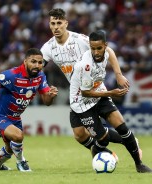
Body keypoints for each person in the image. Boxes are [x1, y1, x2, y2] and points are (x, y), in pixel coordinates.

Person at [40, 8, 142, 160]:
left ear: (66, 23)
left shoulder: (80, 40)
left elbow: (109, 51)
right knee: (79, 134)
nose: (56, 27)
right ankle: (106, 153)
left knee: (111, 127)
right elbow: (36, 69)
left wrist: (119, 75)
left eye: (59, 23)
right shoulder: (47, 48)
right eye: (52, 23)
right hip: (78, 93)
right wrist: (44, 89)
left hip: (95, 88)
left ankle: (125, 144)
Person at [69, 30, 152, 173]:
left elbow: (111, 53)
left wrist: (119, 75)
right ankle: (111, 144)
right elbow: (86, 92)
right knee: (102, 139)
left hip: (99, 94)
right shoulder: (86, 65)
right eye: (93, 48)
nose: (96, 52)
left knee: (122, 127)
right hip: (82, 103)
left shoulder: (107, 51)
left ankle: (139, 165)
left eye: (99, 48)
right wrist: (112, 93)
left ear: (105, 45)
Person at [0, 48, 58, 172]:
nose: (37, 65)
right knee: (18, 136)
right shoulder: (12, 74)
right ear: (25, 61)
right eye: (33, 61)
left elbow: (47, 102)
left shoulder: (40, 76)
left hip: (15, 119)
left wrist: (50, 96)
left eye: (40, 63)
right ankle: (21, 162)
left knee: (10, 149)